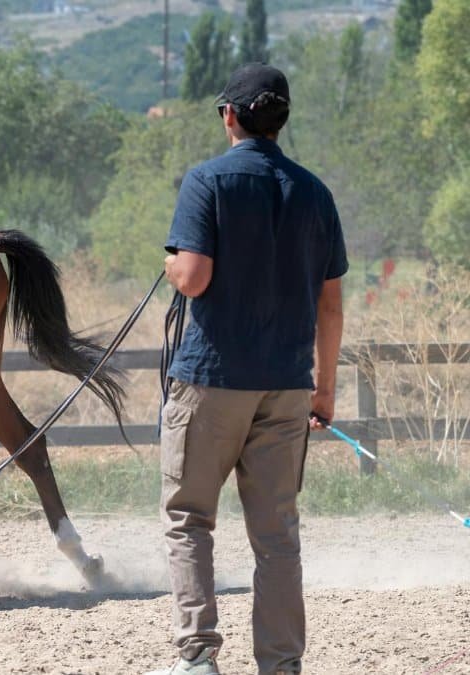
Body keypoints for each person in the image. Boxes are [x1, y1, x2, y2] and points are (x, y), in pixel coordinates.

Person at [146, 63, 347, 675]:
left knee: (188, 519)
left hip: (211, 379)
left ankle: (199, 657)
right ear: (280, 120)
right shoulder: (315, 192)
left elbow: (194, 277)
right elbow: (331, 304)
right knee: (277, 537)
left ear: (228, 115)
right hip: (287, 384)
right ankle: (282, 665)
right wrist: (325, 390)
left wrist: (174, 261)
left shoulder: (206, 181)